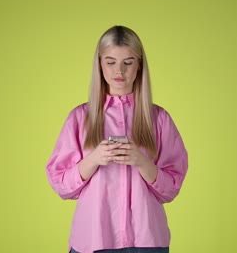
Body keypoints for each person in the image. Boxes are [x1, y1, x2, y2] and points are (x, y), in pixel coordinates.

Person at [46, 25, 188, 253]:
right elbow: (61, 185)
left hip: (147, 241)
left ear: (139, 64)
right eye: (110, 62)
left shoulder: (159, 119)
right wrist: (94, 159)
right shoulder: (80, 117)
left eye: (128, 62)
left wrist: (141, 161)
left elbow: (171, 188)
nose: (119, 71)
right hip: (93, 239)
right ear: (100, 64)